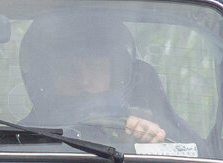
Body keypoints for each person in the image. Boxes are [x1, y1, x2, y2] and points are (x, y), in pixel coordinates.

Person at [18, 10, 176, 144]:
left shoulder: (141, 128)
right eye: (68, 69)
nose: (84, 81)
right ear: (44, 77)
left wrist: (149, 140)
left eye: (94, 67)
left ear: (115, 73)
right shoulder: (17, 141)